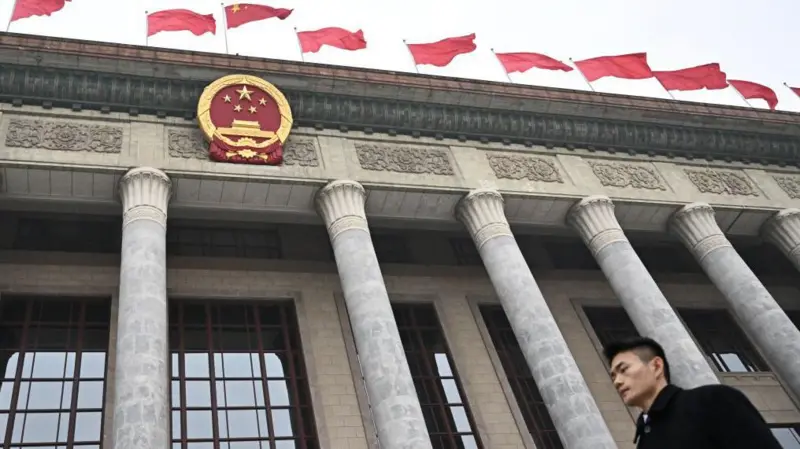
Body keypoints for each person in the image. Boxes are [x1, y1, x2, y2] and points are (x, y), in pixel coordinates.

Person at [603, 336, 784, 449]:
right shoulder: (645, 437)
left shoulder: (713, 401)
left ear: (656, 366)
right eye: (613, 376)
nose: (617, 381)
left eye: (623, 370)